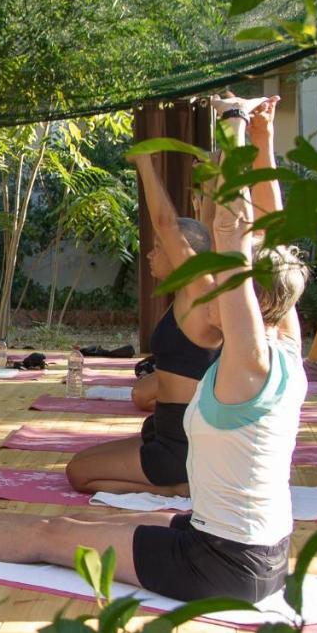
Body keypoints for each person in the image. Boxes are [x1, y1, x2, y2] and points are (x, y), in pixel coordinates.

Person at [0, 141, 310, 603]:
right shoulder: (287, 348)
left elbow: (232, 234)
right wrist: (259, 133)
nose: (211, 281)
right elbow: (269, 231)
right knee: (90, 523)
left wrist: (232, 130)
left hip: (220, 562)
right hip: (260, 554)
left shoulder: (250, 363)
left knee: (54, 534)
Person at [65, 96, 278, 497]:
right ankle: (184, 483)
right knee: (86, 469)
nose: (151, 252)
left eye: (160, 248)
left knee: (79, 473)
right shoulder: (201, 288)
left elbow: (167, 222)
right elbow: (215, 223)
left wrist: (145, 162)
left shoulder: (200, 289)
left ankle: (182, 488)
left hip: (182, 442)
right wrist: (216, 177)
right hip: (174, 428)